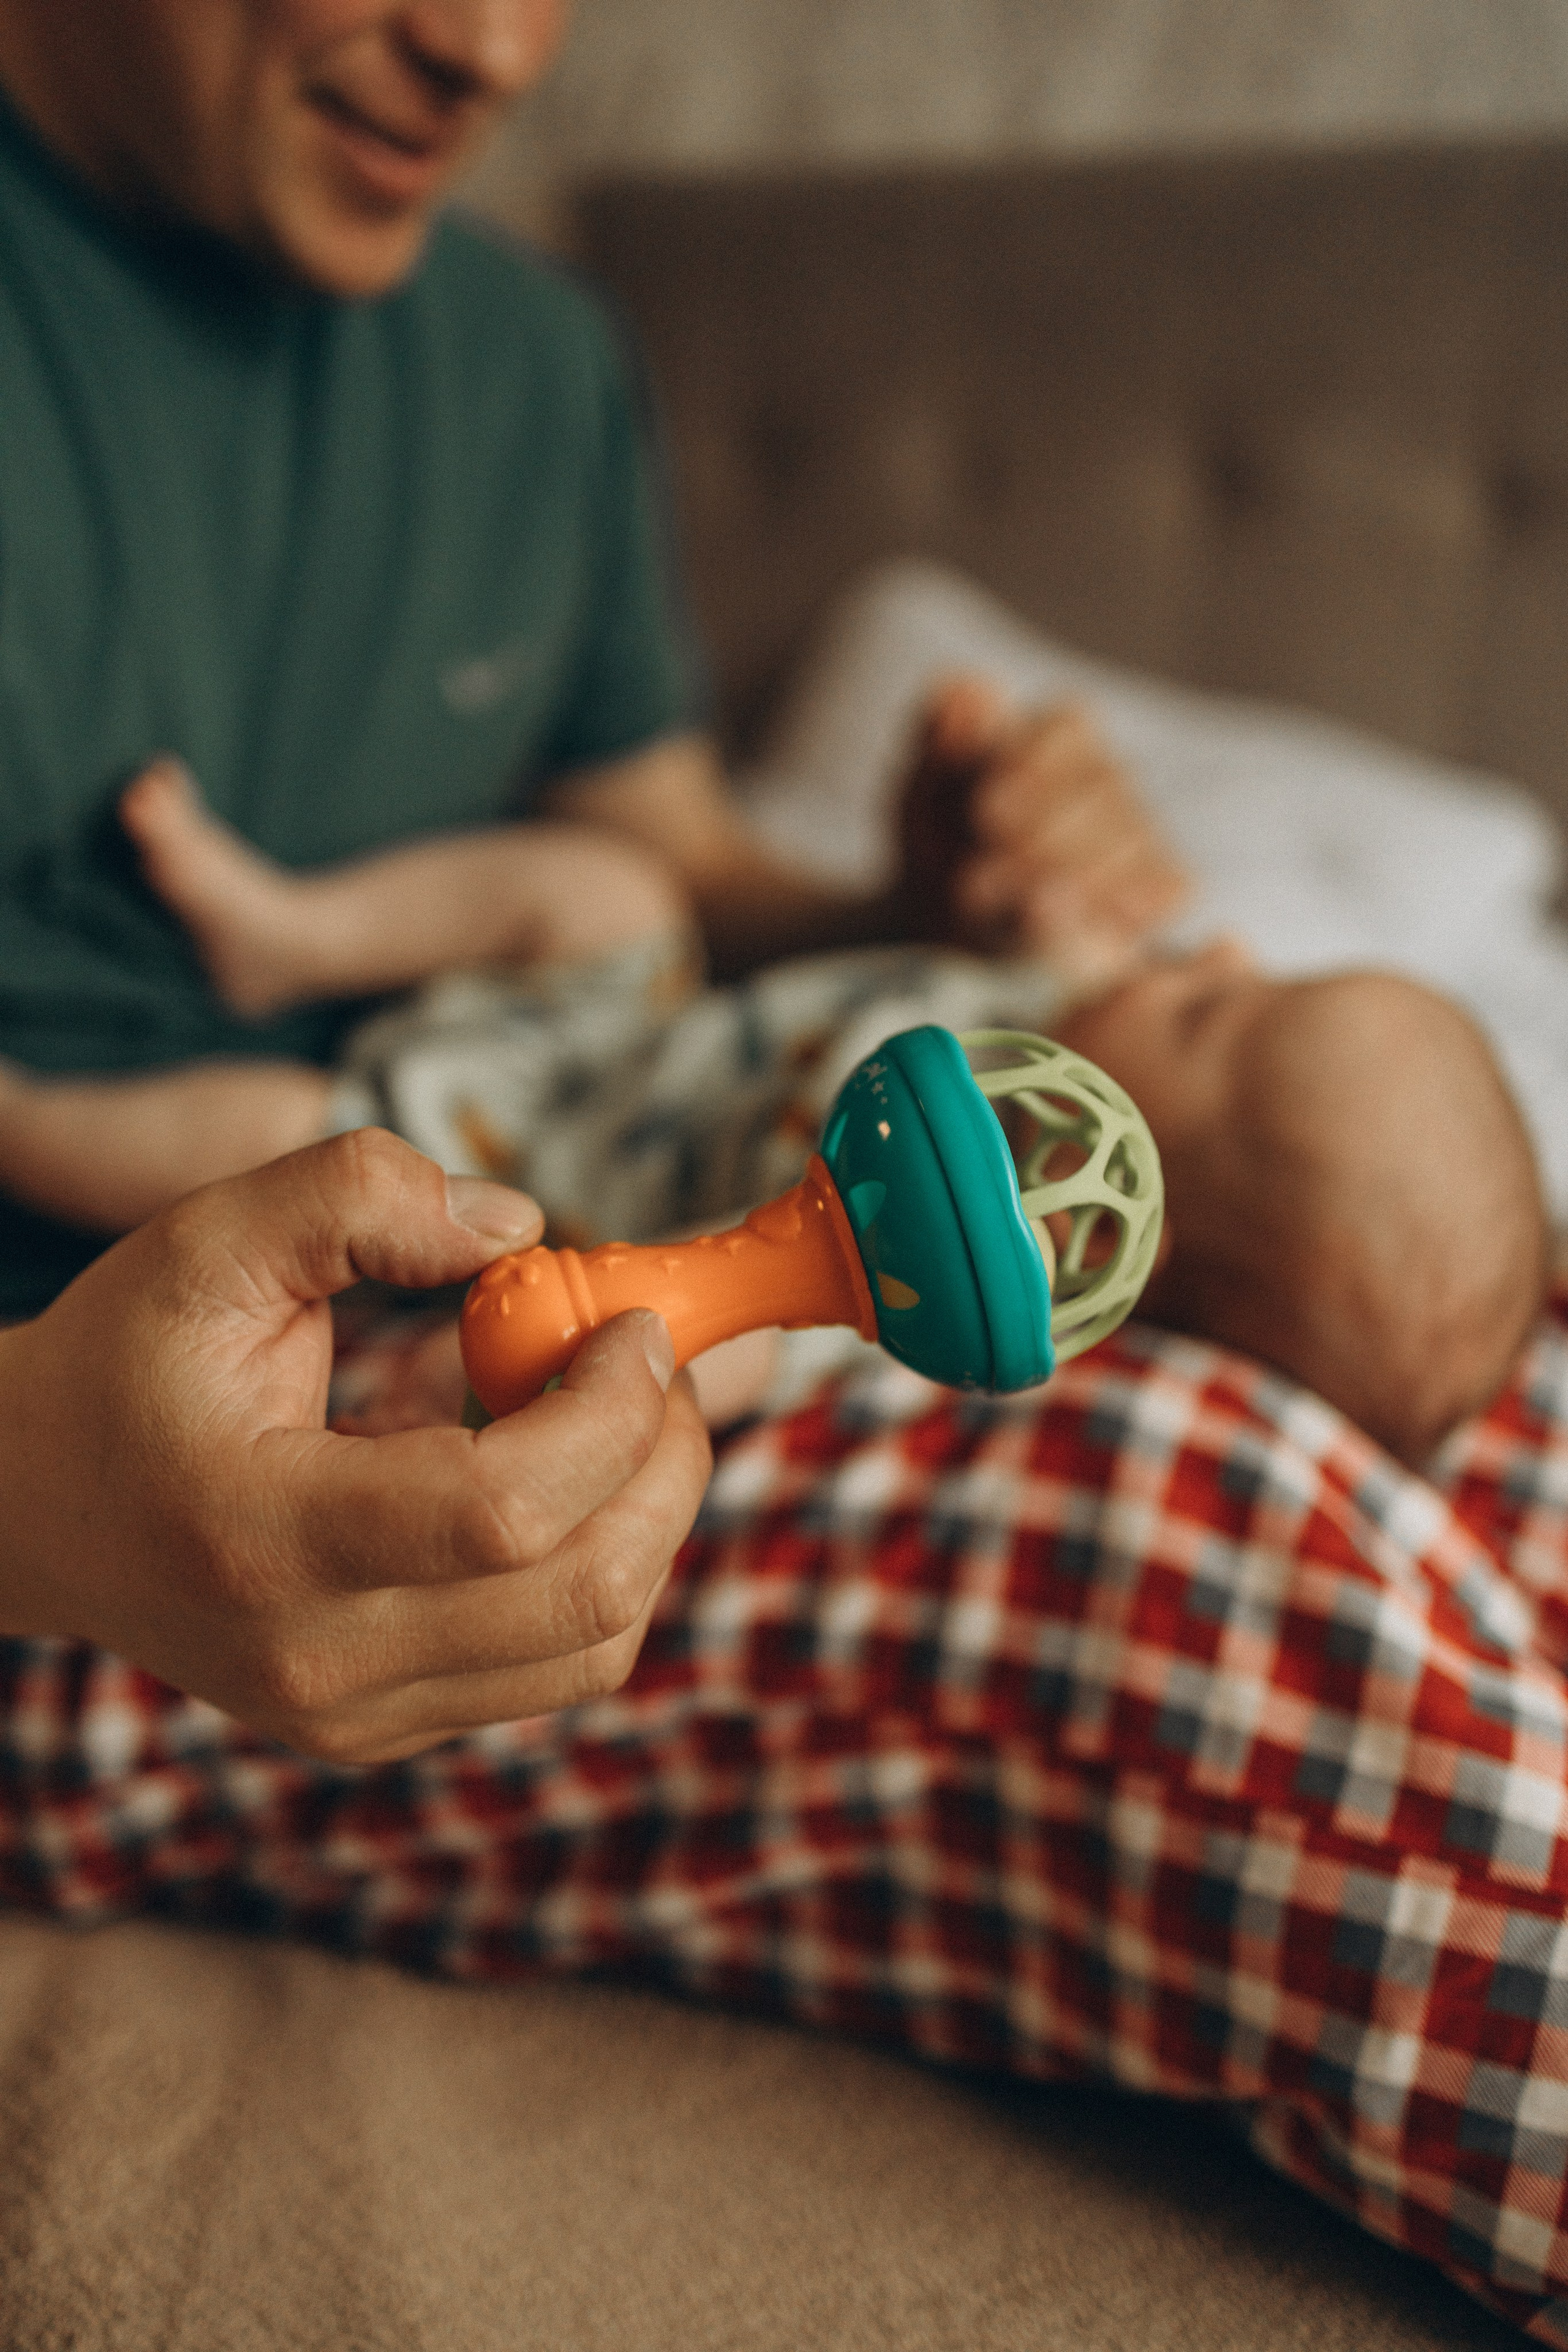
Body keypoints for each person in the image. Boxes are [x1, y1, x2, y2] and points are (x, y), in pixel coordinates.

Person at [1, 6, 1567, 2345]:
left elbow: (664, 894)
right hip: (131, 1381)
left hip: (505, 1157)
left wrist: (894, 899)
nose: (499, 47)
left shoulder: (523, 360)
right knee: (1199, 1534)